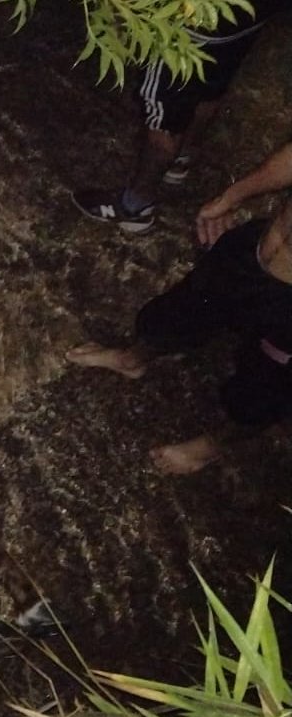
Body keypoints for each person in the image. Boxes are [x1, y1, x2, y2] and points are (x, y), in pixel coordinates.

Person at [65, 139, 292, 473]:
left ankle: (212, 447)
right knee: (185, 306)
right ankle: (133, 359)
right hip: (258, 250)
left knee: (266, 386)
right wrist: (230, 197)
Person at [72, 0, 290, 234]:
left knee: (163, 112)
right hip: (249, 15)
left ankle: (135, 206)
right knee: (211, 80)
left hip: (190, 23)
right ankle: (181, 158)